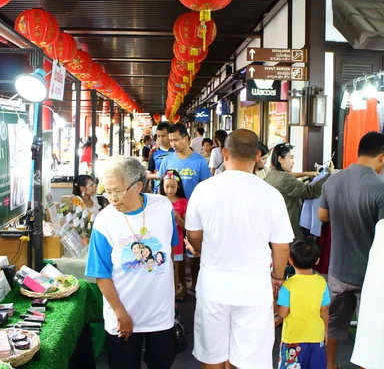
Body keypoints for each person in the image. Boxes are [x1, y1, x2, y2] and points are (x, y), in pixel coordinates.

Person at [185, 129, 293, 369]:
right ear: (257, 156)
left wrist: (203, 250)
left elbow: (193, 234)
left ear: (224, 152)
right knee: (249, 359)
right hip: (253, 287)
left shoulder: (203, 190)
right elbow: (281, 246)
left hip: (213, 284)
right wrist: (277, 277)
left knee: (212, 356)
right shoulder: (271, 194)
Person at [85, 156, 178, 369]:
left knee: (162, 362)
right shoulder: (104, 221)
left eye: (117, 191)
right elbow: (101, 274)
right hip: (122, 315)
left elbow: (169, 252)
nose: (112, 198)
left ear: (138, 186)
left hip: (160, 314)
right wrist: (120, 313)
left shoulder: (163, 207)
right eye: (107, 192)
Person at [318, 131, 384, 369]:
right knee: (369, 326)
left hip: (338, 269)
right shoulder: (381, 189)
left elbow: (322, 215)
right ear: (382, 157)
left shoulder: (333, 181)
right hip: (369, 273)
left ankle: (330, 365)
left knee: (334, 322)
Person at [276, 239, 330, 369]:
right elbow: (324, 310)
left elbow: (283, 313)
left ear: (290, 260)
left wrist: (273, 300)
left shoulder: (288, 285)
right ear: (317, 260)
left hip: (293, 338)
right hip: (316, 336)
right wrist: (325, 331)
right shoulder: (321, 282)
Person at [265, 143, 330, 240]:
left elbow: (288, 177)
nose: (293, 162)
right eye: (291, 158)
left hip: (275, 226)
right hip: (288, 227)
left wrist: (305, 173)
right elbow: (311, 192)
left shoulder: (272, 174)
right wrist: (329, 174)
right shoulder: (284, 179)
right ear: (280, 159)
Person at [159, 123, 211, 200]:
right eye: (171, 141)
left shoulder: (200, 161)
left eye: (176, 140)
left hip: (192, 208)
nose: (173, 144)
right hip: (171, 209)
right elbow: (161, 187)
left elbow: (206, 188)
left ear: (186, 138)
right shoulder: (166, 160)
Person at [159, 169, 189, 302]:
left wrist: (176, 216)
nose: (170, 190)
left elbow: (185, 227)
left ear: (178, 186)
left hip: (177, 243)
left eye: (173, 187)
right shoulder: (158, 201)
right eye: (167, 186)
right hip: (160, 241)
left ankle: (173, 296)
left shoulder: (183, 202)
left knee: (174, 269)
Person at [71, 175, 101, 242]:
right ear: (82, 188)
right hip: (84, 237)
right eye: (91, 185)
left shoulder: (93, 198)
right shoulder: (77, 200)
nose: (95, 187)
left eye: (94, 185)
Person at [147, 122, 175, 193]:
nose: (161, 139)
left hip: (175, 191)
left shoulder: (177, 152)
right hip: (158, 191)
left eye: (163, 136)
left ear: (170, 135)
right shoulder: (154, 153)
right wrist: (158, 175)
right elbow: (148, 173)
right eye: (158, 136)